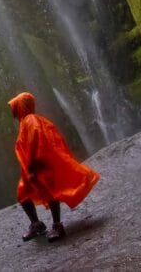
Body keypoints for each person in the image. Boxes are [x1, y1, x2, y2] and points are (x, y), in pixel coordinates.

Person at [8, 91, 100, 242]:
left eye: (14, 105)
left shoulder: (31, 120)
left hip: (37, 165)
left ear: (22, 106)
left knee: (50, 192)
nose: (12, 109)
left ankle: (57, 225)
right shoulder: (28, 120)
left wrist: (32, 166)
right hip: (31, 166)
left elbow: (34, 142)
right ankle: (36, 224)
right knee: (23, 194)